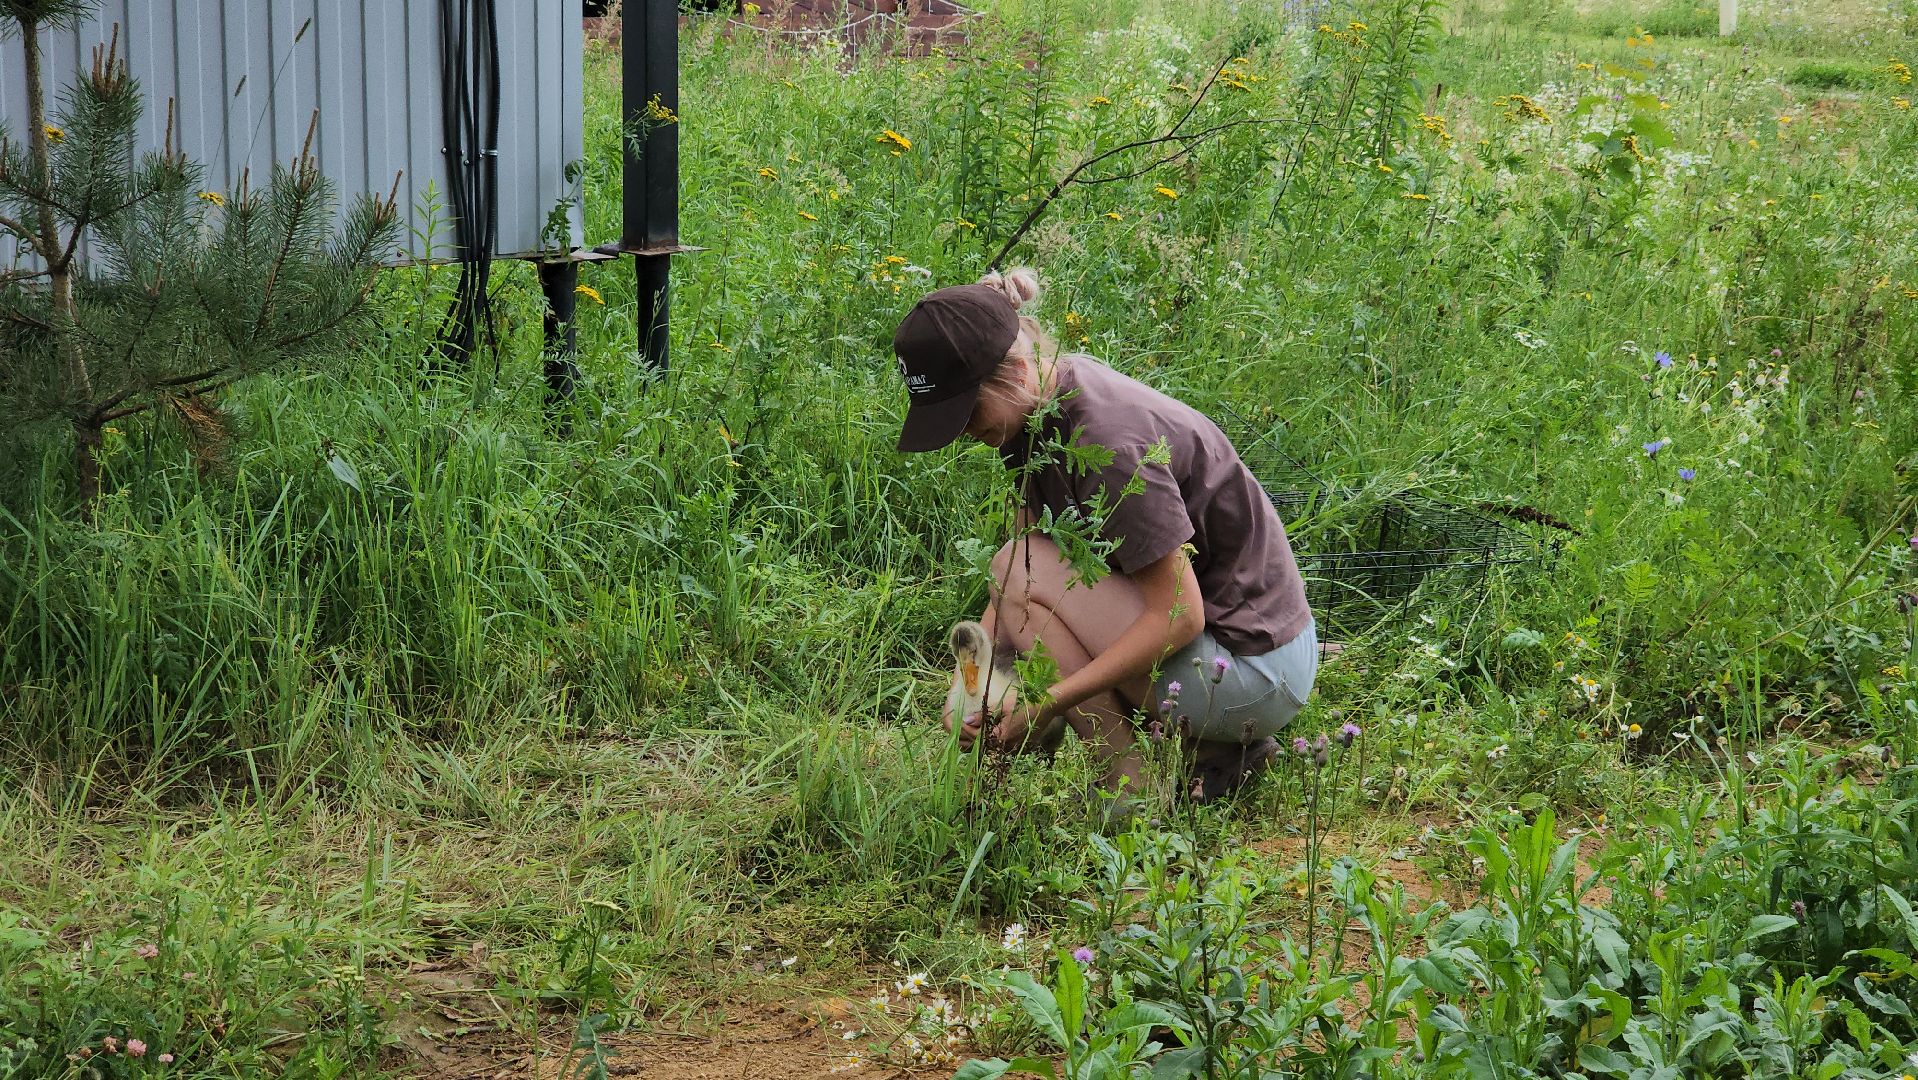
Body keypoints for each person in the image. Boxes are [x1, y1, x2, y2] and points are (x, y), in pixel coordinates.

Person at [893, 267, 1319, 804]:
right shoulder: (1033, 411)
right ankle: (1215, 755)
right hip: (1221, 653)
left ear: (1016, 372)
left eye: (966, 411)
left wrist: (1046, 702)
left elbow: (1181, 616)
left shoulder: (1107, 443)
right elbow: (1024, 568)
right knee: (1016, 572)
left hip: (1252, 667)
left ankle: (1130, 790)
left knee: (1016, 573)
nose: (962, 432)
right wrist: (974, 685)